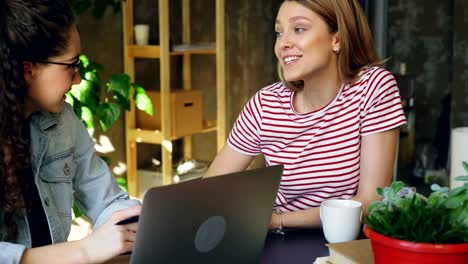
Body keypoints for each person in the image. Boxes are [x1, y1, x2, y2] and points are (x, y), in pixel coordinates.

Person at [206, 0, 406, 231]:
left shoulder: (373, 88)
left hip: (342, 243)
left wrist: (278, 221)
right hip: (276, 240)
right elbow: (211, 188)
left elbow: (372, 202)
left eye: (299, 29)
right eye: (279, 33)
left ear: (337, 39)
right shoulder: (265, 104)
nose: (283, 44)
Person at [0, 0, 141, 263]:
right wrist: (85, 250)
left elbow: (107, 200)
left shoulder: (64, 121)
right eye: (72, 65)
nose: (78, 79)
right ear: (27, 70)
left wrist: (142, 223)